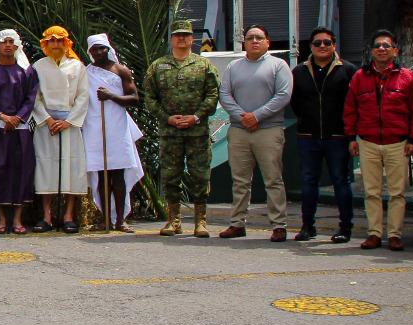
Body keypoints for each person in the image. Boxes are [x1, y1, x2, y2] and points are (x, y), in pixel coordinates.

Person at [344, 29, 413, 251]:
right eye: (377, 46)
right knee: (372, 192)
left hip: (398, 142)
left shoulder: (407, 77)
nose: (381, 49)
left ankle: (395, 235)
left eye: (386, 46)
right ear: (371, 51)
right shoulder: (359, 77)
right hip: (368, 141)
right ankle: (374, 234)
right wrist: (352, 138)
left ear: (395, 51)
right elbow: (350, 109)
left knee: (397, 193)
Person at [144, 19, 220, 238]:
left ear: (192, 39)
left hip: (197, 132)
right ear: (171, 39)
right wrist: (167, 118)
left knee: (200, 176)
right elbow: (150, 97)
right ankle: (173, 220)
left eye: (185, 35)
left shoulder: (204, 65)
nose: (181, 39)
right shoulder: (158, 66)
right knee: (170, 176)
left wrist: (196, 117)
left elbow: (213, 94)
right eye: (177, 35)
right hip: (170, 132)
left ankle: (200, 221)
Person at [218, 24, 293, 242]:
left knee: (273, 179)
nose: (254, 41)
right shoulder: (233, 67)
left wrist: (257, 116)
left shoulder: (278, 65)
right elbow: (225, 94)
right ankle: (237, 223)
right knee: (240, 180)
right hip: (239, 130)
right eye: (250, 38)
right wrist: (242, 116)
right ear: (244, 43)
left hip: (268, 130)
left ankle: (279, 225)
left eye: (259, 37)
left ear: (268, 42)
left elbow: (283, 95)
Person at [290, 27, 357, 243]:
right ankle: (308, 226)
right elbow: (295, 102)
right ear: (310, 46)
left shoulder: (348, 70)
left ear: (334, 45)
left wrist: (350, 134)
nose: (322, 46)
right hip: (308, 137)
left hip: (337, 137)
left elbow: (354, 103)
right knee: (308, 182)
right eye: (317, 43)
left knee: (341, 182)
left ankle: (345, 227)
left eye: (327, 43)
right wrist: (306, 121)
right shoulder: (299, 71)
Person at [0, 30, 39, 234]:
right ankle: (1, 219)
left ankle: (18, 219)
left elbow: (31, 97)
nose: (8, 45)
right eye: (4, 42)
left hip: (20, 130)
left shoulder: (27, 71)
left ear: (17, 45)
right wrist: (3, 117)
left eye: (11, 41)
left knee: (21, 171)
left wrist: (17, 118)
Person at [31, 26, 89, 233]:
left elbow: (83, 96)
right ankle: (46, 217)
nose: (55, 44)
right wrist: (47, 120)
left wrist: (69, 121)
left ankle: (68, 216)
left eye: (59, 41)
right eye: (51, 41)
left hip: (70, 124)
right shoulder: (38, 66)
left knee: (72, 168)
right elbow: (34, 97)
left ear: (66, 43)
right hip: (46, 125)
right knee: (45, 168)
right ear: (45, 44)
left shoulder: (77, 66)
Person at [83, 34, 145, 232]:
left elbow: (134, 98)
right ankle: (106, 219)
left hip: (117, 126)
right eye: (94, 49)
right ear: (90, 52)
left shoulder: (121, 70)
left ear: (108, 49)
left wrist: (111, 96)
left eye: (101, 48)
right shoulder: (86, 72)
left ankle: (121, 219)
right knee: (102, 175)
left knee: (118, 174)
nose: (98, 52)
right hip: (95, 126)